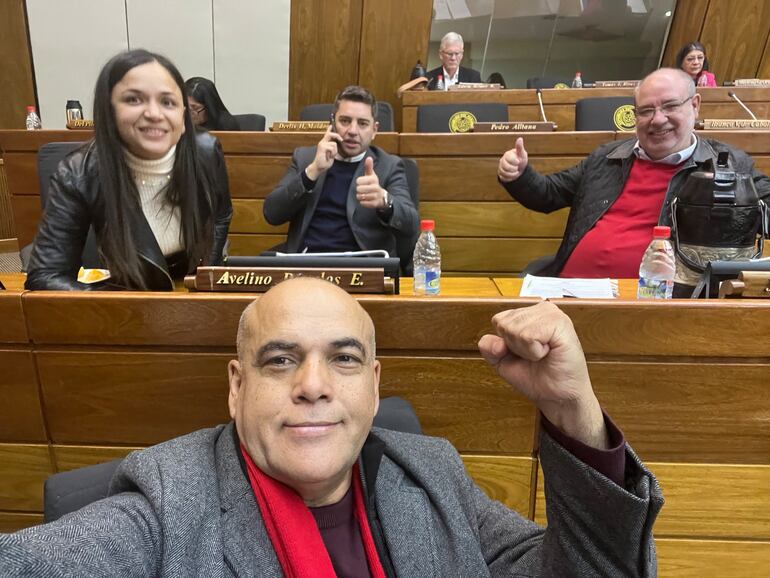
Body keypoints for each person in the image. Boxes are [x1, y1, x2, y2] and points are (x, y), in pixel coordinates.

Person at [0, 277, 662, 576]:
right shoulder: (165, 505)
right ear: (237, 389)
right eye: (280, 359)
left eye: (343, 360)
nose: (312, 384)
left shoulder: (431, 475)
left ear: (374, 388)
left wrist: (574, 413)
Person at [498, 68, 770, 284]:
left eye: (670, 106)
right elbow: (548, 195)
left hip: (658, 301)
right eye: (646, 111)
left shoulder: (730, 165)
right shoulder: (607, 157)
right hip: (570, 289)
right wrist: (519, 174)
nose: (657, 119)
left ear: (695, 105)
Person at [25, 50, 232, 291]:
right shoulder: (78, 172)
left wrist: (207, 278)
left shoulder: (206, 152)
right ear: (108, 110)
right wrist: (114, 306)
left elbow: (221, 214)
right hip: (128, 290)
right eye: (134, 99)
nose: (154, 114)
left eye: (168, 102)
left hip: (190, 288)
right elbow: (45, 275)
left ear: (183, 116)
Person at [264, 85, 418, 256]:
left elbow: (411, 225)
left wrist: (385, 200)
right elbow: (272, 214)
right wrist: (312, 172)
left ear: (374, 130)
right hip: (307, 264)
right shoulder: (305, 158)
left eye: (362, 123)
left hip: (363, 268)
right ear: (332, 123)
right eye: (345, 121)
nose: (352, 131)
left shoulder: (389, 166)